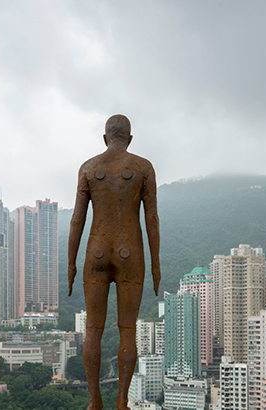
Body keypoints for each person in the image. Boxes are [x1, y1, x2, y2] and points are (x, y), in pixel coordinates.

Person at [68, 114, 161, 410]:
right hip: (129, 252)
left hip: (95, 250)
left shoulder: (88, 168)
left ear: (105, 138)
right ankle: (122, 401)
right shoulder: (143, 167)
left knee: (93, 330)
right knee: (127, 330)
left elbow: (76, 220)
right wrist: (156, 264)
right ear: (129, 139)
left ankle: (95, 401)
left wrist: (70, 264)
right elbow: (152, 219)